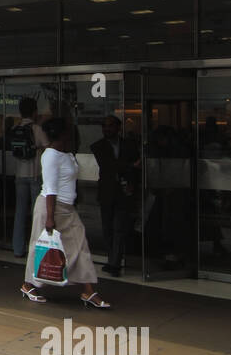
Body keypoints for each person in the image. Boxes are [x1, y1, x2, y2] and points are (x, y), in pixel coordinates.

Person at [19, 117, 111, 308]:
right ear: (62, 134)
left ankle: (88, 290)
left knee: (80, 245)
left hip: (67, 208)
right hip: (50, 207)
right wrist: (50, 218)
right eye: (69, 131)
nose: (73, 134)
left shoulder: (67, 154)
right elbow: (51, 188)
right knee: (41, 248)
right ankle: (28, 285)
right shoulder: (50, 155)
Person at [91, 115, 141, 276]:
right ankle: (112, 259)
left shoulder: (130, 145)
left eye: (111, 126)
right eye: (105, 126)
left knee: (119, 228)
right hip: (107, 192)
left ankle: (115, 262)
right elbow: (108, 165)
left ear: (118, 128)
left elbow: (136, 168)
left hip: (123, 192)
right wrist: (130, 165)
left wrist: (131, 180)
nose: (107, 129)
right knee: (107, 228)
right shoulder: (98, 146)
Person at [10, 97, 49, 259]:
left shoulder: (14, 128)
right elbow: (48, 148)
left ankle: (18, 249)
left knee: (19, 213)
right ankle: (35, 250)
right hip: (34, 176)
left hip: (19, 176)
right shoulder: (37, 129)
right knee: (36, 214)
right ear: (34, 111)